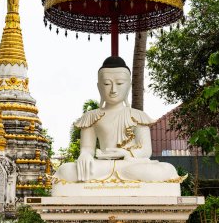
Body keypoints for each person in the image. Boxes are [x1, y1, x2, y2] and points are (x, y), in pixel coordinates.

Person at [53, 57, 178, 186]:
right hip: (103, 165)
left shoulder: (138, 116)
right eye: (107, 84)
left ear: (129, 86)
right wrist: (85, 156)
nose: (113, 90)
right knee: (65, 171)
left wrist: (125, 153)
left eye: (119, 83)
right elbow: (87, 148)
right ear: (99, 87)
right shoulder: (91, 116)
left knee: (165, 170)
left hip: (129, 164)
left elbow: (146, 150)